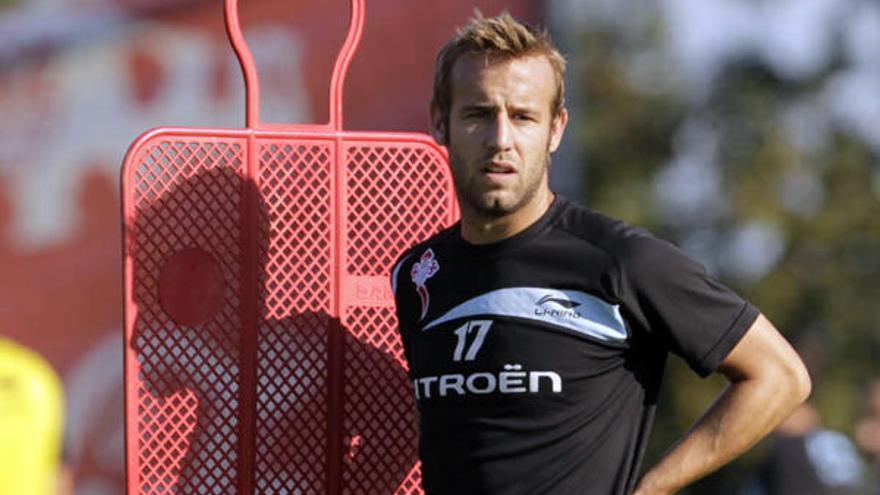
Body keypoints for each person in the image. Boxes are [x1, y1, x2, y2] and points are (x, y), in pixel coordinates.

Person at [390, 11, 811, 495]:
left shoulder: (620, 260)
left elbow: (780, 377)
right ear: (440, 122)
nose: (500, 139)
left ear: (555, 130)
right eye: (479, 114)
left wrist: (649, 489)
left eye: (523, 116)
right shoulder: (418, 276)